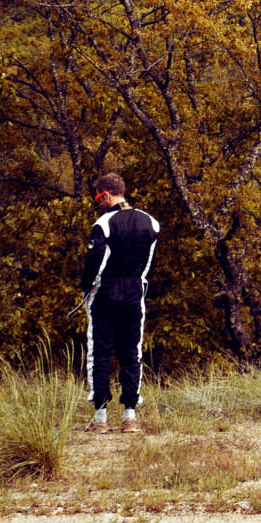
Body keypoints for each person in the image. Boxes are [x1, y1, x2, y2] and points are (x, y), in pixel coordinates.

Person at [80, 172, 159, 434]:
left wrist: (86, 289)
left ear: (108, 194)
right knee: (131, 351)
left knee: (100, 353)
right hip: (135, 291)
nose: (98, 202)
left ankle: (100, 417)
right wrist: (139, 285)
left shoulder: (103, 224)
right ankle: (129, 416)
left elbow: (95, 265)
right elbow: (148, 265)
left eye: (98, 197)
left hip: (106, 293)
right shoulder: (151, 223)